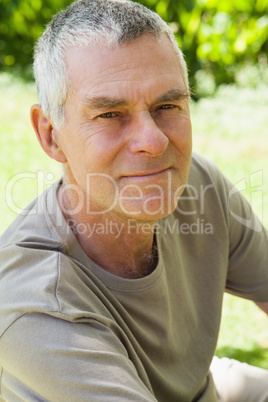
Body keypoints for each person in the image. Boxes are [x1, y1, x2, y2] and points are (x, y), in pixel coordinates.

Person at [0, 0, 267, 400]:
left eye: (167, 106)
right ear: (51, 135)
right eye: (110, 114)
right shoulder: (36, 305)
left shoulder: (198, 184)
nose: (154, 141)